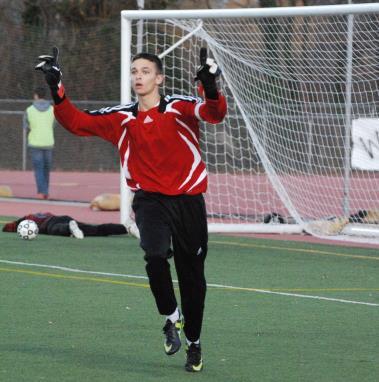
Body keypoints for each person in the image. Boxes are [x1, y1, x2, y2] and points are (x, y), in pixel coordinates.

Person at [35, 46, 227, 372]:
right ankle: (171, 317)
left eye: (146, 71)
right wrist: (56, 89)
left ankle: (194, 343)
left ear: (160, 78)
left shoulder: (180, 107)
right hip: (149, 202)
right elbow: (76, 122)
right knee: (154, 255)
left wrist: (210, 87)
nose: (139, 76)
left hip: (188, 203)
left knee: (193, 280)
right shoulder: (121, 117)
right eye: (135, 71)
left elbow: (214, 113)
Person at [23, 87, 56, 200]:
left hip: (35, 143)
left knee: (38, 168)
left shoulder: (29, 110)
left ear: (36, 96)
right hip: (48, 142)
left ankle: (42, 191)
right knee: (47, 169)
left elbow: (26, 125)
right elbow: (54, 124)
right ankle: (45, 190)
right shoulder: (52, 109)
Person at [2, 212, 129, 239]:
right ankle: (126, 228)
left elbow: (8, 227)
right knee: (94, 229)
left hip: (52, 223)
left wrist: (9, 228)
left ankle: (69, 228)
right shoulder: (37, 215)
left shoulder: (26, 220)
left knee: (54, 230)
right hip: (64, 217)